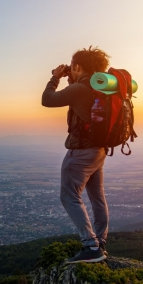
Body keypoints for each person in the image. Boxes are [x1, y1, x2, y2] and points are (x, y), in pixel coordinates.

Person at [41, 46, 110, 263]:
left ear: (78, 66)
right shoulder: (99, 87)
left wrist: (55, 78)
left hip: (81, 152)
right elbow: (80, 100)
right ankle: (100, 241)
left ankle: (91, 246)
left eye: (73, 66)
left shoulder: (81, 89)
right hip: (99, 151)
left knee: (69, 195)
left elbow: (48, 99)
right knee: (97, 197)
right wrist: (71, 76)